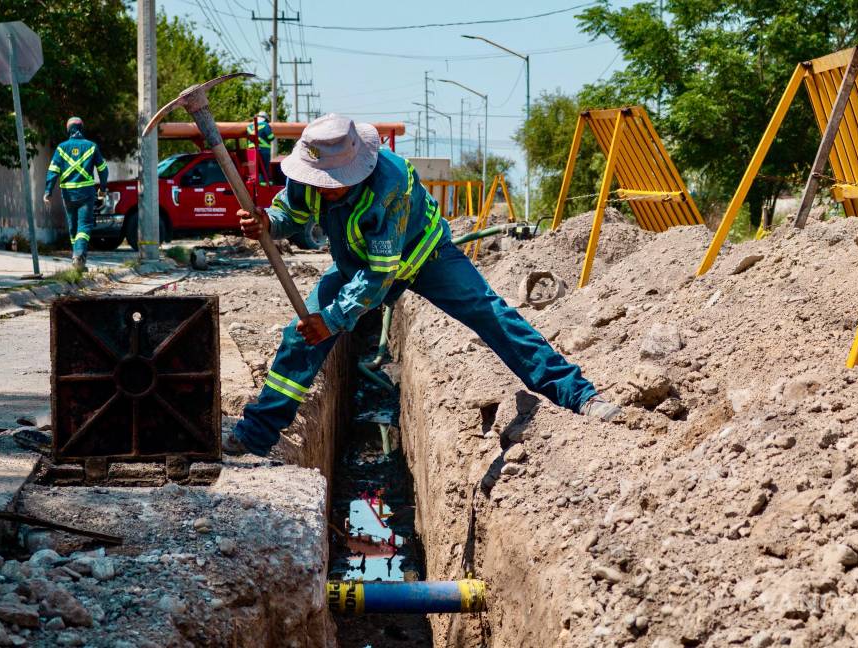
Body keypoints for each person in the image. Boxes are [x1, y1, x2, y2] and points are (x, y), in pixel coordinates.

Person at [222, 114, 620, 457]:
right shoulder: (308, 175)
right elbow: (289, 214)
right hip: (357, 262)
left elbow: (381, 274)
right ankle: (256, 434)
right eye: (319, 182)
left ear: (355, 169)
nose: (324, 190)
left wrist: (334, 318)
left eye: (334, 183)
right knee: (299, 336)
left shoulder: (388, 183)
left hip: (426, 257)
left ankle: (578, 394)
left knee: (490, 313)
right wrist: (267, 223)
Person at [44, 117, 109, 271]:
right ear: (82, 128)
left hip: (68, 194)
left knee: (73, 227)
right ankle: (79, 255)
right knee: (84, 225)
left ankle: (76, 260)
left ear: (68, 129)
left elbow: (53, 171)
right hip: (86, 193)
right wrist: (103, 188)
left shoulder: (61, 148)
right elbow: (103, 170)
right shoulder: (92, 147)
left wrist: (48, 191)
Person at [245, 111, 275, 185]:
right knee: (264, 168)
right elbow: (271, 137)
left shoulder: (249, 126)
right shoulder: (265, 125)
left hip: (251, 151)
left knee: (255, 169)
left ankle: (258, 181)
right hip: (264, 150)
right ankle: (264, 183)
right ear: (265, 119)